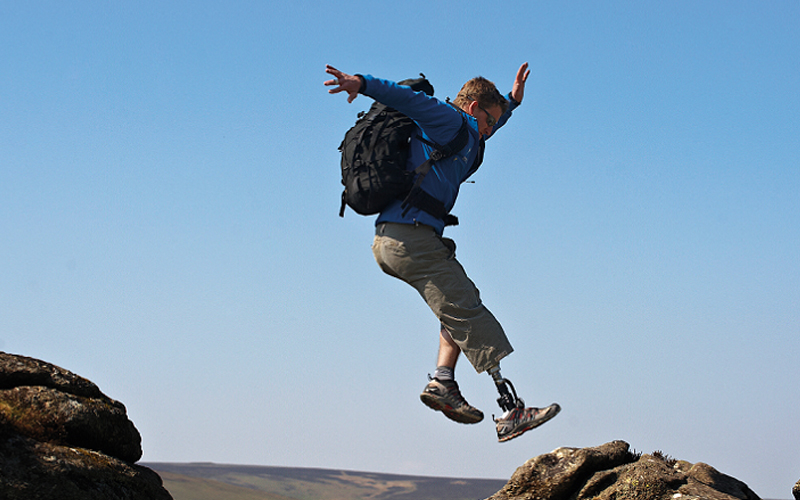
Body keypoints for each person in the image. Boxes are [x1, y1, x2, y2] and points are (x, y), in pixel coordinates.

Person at [324, 63, 560, 442]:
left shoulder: (466, 134)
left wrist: (512, 103)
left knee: (457, 302)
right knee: (466, 306)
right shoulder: (447, 119)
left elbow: (489, 126)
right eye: (489, 121)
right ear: (473, 108)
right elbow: (407, 98)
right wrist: (363, 83)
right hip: (408, 237)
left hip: (407, 239)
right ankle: (510, 410)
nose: (490, 130)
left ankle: (443, 383)